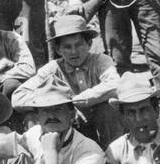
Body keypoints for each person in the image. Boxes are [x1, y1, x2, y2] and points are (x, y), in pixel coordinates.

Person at [13, 14, 122, 146]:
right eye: (67, 47)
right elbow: (18, 97)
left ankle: (113, 156)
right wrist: (57, 104)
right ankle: (46, 158)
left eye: (78, 45)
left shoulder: (100, 61)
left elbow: (115, 84)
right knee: (34, 116)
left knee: (108, 108)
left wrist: (77, 101)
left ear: (89, 44)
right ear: (58, 49)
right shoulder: (52, 68)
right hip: (66, 123)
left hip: (100, 122)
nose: (74, 51)